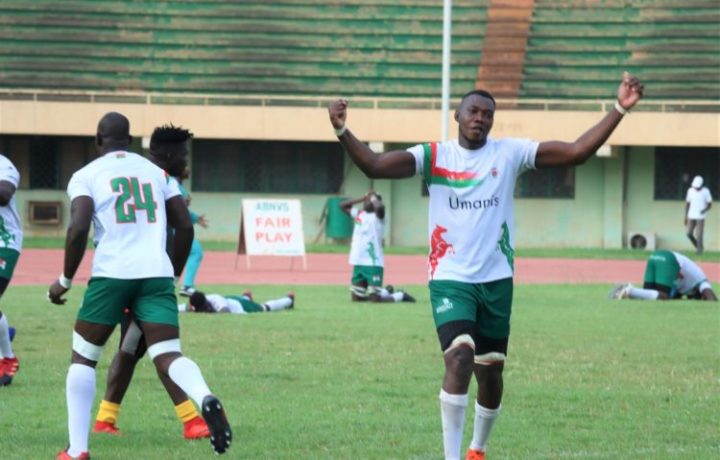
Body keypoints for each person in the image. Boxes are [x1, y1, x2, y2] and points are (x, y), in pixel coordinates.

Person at [328, 72, 644, 460]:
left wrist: (619, 109)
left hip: (496, 281)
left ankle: (477, 449)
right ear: (457, 115)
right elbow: (375, 165)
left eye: (488, 114)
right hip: (450, 278)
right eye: (473, 111)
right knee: (459, 357)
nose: (480, 118)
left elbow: (577, 152)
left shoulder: (509, 154)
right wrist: (342, 129)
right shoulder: (435, 156)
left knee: (490, 371)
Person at [48, 113, 231, 459]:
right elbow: (184, 226)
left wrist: (64, 280)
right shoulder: (158, 174)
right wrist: (170, 276)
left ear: (98, 139)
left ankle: (77, 450)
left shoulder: (85, 175)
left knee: (84, 358)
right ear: (130, 140)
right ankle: (204, 396)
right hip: (156, 275)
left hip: (112, 274)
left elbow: (79, 227)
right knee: (168, 353)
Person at [93, 124, 210, 440]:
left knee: (132, 346)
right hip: (145, 278)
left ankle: (106, 418)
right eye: (184, 155)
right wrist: (171, 276)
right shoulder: (160, 181)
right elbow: (183, 229)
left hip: (128, 274)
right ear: (169, 155)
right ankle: (191, 420)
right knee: (160, 349)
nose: (186, 161)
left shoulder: (142, 177)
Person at [340, 191, 415, 303]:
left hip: (373, 263)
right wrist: (362, 198)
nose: (366, 203)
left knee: (375, 299)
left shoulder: (379, 217)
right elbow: (342, 205)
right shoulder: (360, 214)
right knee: (356, 298)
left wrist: (374, 198)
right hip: (358, 261)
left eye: (369, 201)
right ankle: (385, 291)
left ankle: (401, 295)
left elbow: (380, 207)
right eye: (366, 201)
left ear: (375, 202)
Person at [609, 250, 717, 301]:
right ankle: (629, 290)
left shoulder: (685, 288)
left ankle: (623, 292)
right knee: (664, 297)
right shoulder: (703, 282)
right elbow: (712, 298)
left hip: (655, 256)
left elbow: (675, 297)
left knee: (647, 296)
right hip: (670, 259)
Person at [0, 153, 22, 387]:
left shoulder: (4, 165)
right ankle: (3, 333)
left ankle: (7, 358)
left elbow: (4, 195)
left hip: (4, 242)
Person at [179, 168, 208, 297]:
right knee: (195, 251)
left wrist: (195, 217)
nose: (187, 169)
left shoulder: (175, 184)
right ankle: (187, 286)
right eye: (183, 165)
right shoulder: (173, 184)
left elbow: (180, 209)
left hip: (170, 228)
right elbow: (177, 208)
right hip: (172, 229)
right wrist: (184, 204)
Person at [181, 290, 295, 314]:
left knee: (263, 308)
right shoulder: (193, 303)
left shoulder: (215, 299)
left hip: (239, 305)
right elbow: (177, 308)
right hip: (229, 299)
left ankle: (289, 300)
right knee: (244, 299)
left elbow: (225, 312)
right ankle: (246, 296)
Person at [684, 175, 712, 255]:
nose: (696, 188)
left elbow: (710, 204)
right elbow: (687, 204)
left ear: (701, 185)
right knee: (688, 233)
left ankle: (699, 251)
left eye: (698, 187)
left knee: (699, 234)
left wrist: (704, 210)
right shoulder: (690, 190)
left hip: (700, 217)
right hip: (691, 215)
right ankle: (698, 246)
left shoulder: (706, 191)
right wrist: (685, 216)